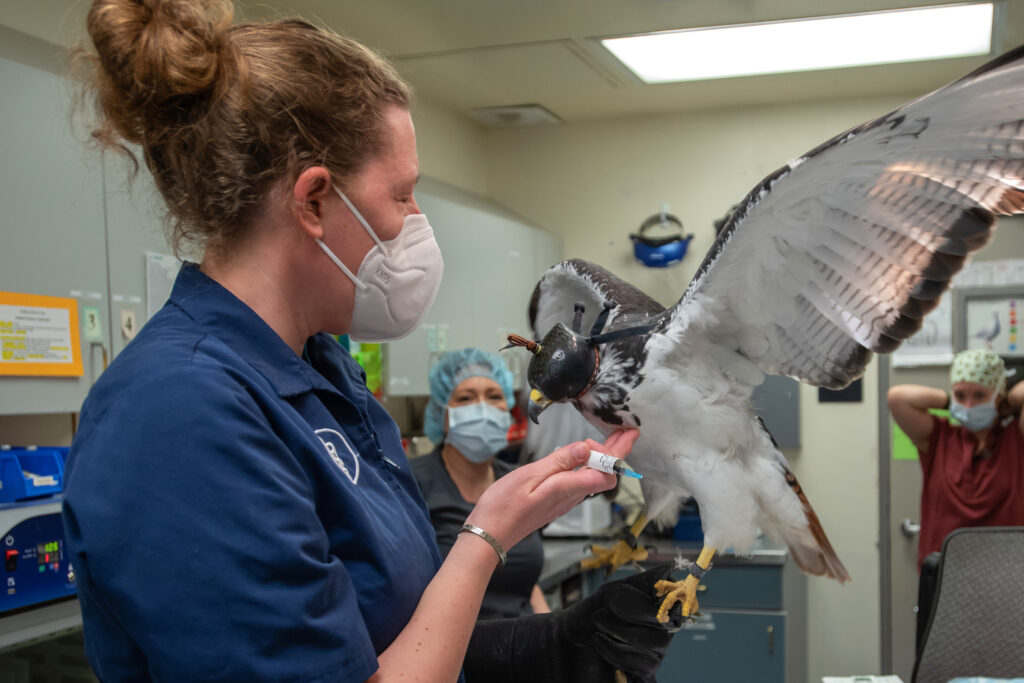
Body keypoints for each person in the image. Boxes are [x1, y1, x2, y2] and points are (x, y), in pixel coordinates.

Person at [62, 1, 678, 681]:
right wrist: (485, 535)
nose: (417, 223)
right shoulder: (180, 412)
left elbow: (389, 637)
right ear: (315, 202)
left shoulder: (322, 374)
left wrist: (553, 647)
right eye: (403, 196)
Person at [412, 348, 549, 619]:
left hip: (524, 645)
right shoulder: (412, 484)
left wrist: (551, 632)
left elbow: (526, 582)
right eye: (466, 398)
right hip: (455, 652)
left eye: (494, 396)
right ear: (443, 415)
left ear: (507, 410)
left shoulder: (517, 481)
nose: (483, 408)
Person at [888, 348, 1024, 569]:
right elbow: (897, 398)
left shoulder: (1016, 441)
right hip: (945, 576)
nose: (968, 406)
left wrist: (1007, 402)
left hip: (1005, 575)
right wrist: (950, 402)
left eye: (979, 395)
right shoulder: (940, 439)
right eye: (961, 396)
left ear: (998, 396)